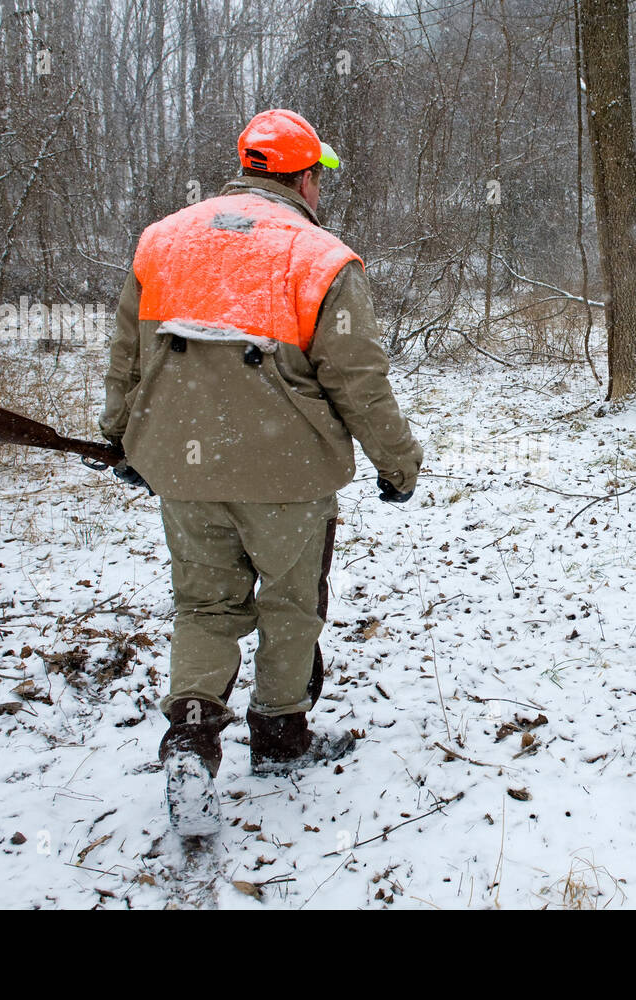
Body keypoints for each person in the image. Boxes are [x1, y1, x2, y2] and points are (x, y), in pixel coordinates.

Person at [99, 108, 423, 835]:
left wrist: (119, 439)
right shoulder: (320, 258)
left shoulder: (161, 244)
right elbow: (359, 382)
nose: (320, 190)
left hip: (183, 466)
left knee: (206, 607)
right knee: (289, 603)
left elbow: (126, 358)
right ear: (304, 176)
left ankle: (190, 737)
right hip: (288, 474)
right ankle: (279, 737)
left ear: (247, 169)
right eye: (319, 176)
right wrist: (398, 464)